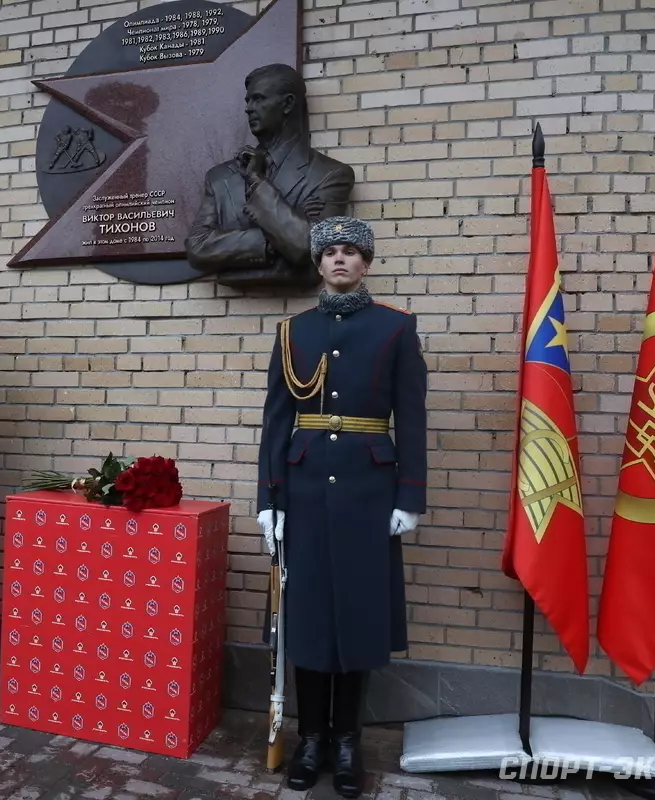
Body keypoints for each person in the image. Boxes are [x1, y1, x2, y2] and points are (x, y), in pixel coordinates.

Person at [256, 217, 427, 799]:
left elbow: (413, 418)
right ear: (318, 263)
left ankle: (347, 740)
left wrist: (409, 496)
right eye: (330, 252)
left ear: (367, 263)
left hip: (367, 492)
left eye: (351, 251)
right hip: (303, 491)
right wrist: (268, 499)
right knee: (305, 614)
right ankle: (311, 738)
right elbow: (277, 422)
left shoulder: (395, 329)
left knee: (355, 613)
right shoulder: (292, 331)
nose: (339, 260)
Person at [185, 63, 355, 290]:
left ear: (287, 104)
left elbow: (309, 246)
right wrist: (276, 240)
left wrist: (257, 182)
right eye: (247, 101)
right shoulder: (221, 177)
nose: (249, 108)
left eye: (258, 99)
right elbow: (197, 248)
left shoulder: (329, 175)